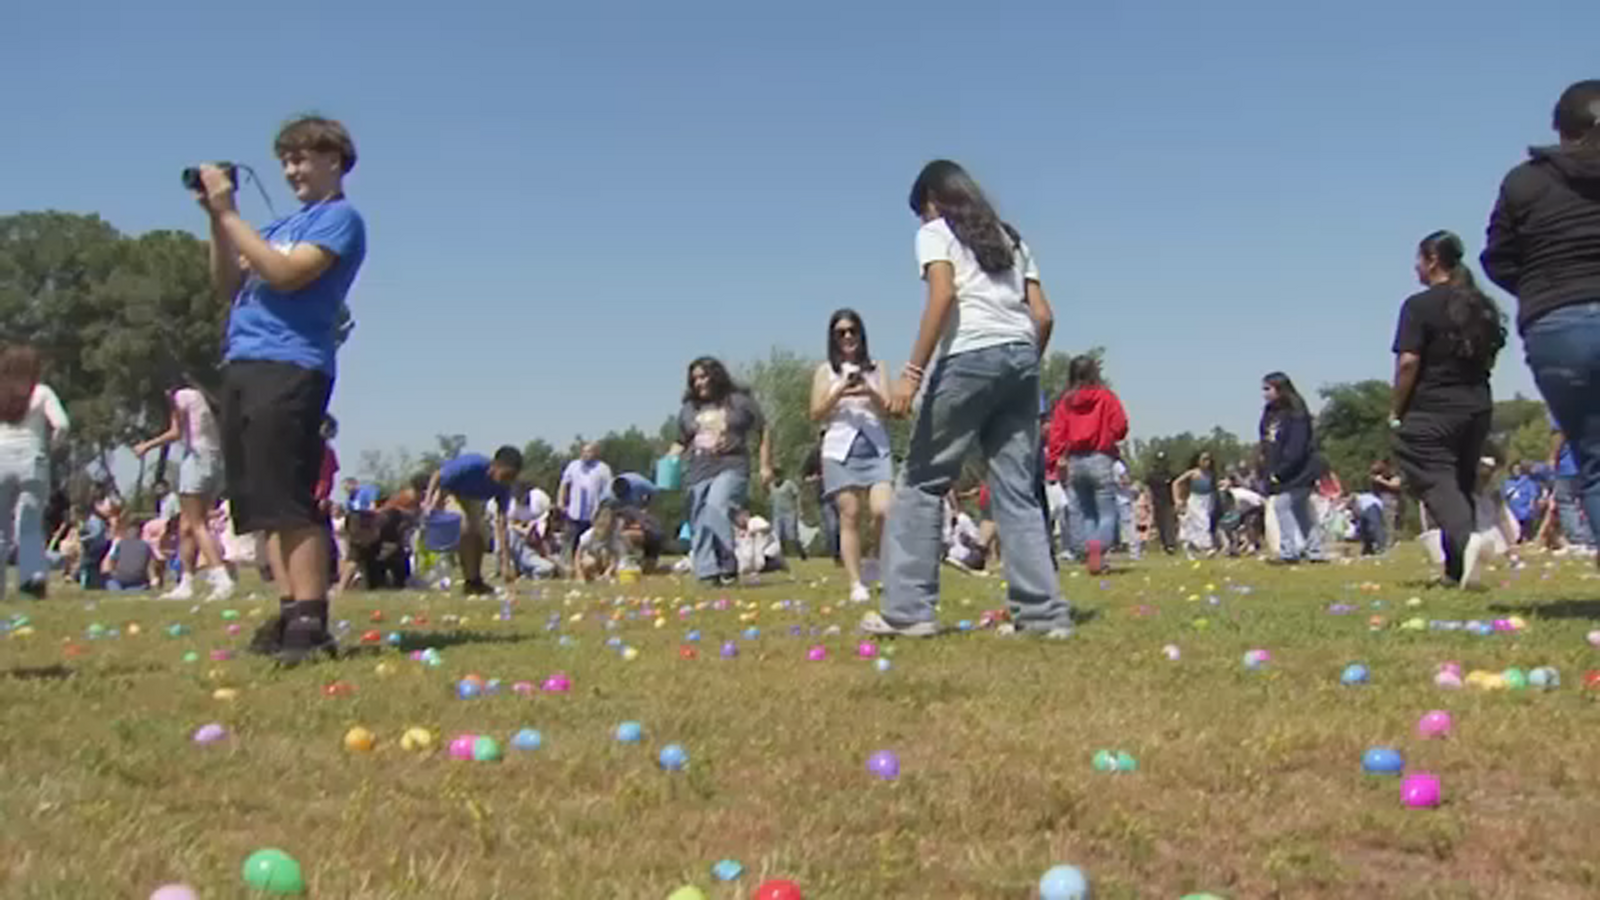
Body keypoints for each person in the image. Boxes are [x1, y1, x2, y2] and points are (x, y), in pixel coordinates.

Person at [864, 160, 1070, 639]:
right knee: (1017, 493)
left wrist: (911, 376)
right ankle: (1042, 617)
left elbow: (942, 295)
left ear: (933, 200)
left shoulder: (938, 231)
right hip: (1021, 356)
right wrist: (1018, 367)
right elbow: (1043, 315)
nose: (921, 221)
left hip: (970, 356)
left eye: (921, 211)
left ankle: (908, 609)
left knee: (920, 481)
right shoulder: (1010, 238)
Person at [199, 116, 366, 663]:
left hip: (291, 364)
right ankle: (289, 610)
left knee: (292, 498)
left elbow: (286, 274)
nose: (292, 170)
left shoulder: (340, 220)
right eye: (286, 161)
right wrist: (217, 224)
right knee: (262, 501)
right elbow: (228, 284)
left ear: (334, 161)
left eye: (302, 158)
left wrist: (229, 213)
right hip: (243, 361)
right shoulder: (274, 227)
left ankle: (312, 621)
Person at [1481, 80, 1600, 570]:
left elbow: (1497, 257)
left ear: (1560, 127)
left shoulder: (1523, 182)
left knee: (1593, 459)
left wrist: (1539, 291)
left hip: (1557, 326)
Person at [1391, 230, 1507, 587]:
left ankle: (1467, 538)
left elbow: (1409, 362)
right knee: (1459, 481)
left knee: (1433, 475)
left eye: (1418, 259)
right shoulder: (1481, 305)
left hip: (1432, 406)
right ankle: (1457, 569)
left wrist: (1397, 408)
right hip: (1476, 404)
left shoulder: (1419, 306)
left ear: (1432, 261)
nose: (1415, 267)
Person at [810, 309, 893, 601]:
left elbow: (890, 408)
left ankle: (878, 563)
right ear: (833, 338)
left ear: (861, 334)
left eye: (852, 331)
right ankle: (856, 583)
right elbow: (816, 412)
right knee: (850, 513)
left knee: (884, 510)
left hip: (874, 446)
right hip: (839, 449)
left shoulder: (877, 367)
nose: (847, 337)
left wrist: (868, 389)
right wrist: (840, 389)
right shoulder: (825, 371)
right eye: (840, 332)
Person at [669, 357, 773, 586]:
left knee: (717, 505)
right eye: (695, 379)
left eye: (704, 376)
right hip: (698, 470)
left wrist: (766, 465)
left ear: (716, 376)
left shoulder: (739, 401)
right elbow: (681, 440)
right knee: (699, 519)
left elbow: (763, 429)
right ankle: (707, 573)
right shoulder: (689, 409)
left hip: (731, 466)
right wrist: (669, 460)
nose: (699, 383)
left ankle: (727, 564)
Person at [133, 383, 236, 601]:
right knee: (186, 527)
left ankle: (220, 577)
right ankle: (186, 582)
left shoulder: (180, 397)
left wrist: (147, 446)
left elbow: (175, 432)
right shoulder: (204, 396)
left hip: (196, 461)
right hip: (216, 461)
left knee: (197, 524)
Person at [1046, 355, 1129, 573]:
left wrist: (1056, 461)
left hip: (1074, 460)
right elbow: (1120, 427)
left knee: (1085, 512)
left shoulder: (1065, 401)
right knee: (1107, 512)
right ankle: (1098, 549)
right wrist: (1107, 434)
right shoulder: (1106, 397)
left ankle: (1091, 555)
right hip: (1100, 457)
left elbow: (1056, 433)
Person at [0, 344, 69, 599]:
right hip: (33, 460)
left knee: (0, 528)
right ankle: (31, 581)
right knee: (28, 525)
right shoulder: (41, 392)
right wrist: (51, 448)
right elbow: (62, 424)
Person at [425, 446, 523, 594]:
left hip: (473, 500)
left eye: (513, 477)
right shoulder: (472, 464)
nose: (508, 481)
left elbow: (502, 524)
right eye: (507, 475)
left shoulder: (504, 487)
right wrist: (428, 502)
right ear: (496, 465)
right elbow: (437, 476)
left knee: (480, 534)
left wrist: (505, 563)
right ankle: (462, 578)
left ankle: (474, 581)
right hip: (449, 492)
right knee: (465, 526)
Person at [1260, 373, 1326, 563]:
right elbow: (1266, 441)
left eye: (1268, 389)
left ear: (1280, 389)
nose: (1264, 394)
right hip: (1279, 470)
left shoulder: (1296, 413)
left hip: (1300, 470)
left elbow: (1297, 446)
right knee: (1298, 510)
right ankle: (1315, 552)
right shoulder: (1269, 412)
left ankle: (1289, 552)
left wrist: (1281, 471)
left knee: (1282, 506)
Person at [558, 443, 612, 570]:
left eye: (589, 452)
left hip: (593, 513)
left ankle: (594, 567)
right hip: (574, 511)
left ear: (595, 453)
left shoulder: (603, 469)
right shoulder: (573, 466)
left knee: (592, 543)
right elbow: (564, 484)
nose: (586, 454)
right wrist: (561, 501)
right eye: (584, 452)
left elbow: (608, 491)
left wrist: (605, 510)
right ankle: (569, 567)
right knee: (571, 541)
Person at [1550, 420, 1594, 552]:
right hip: (1586, 464)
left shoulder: (1562, 410)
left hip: (1567, 466)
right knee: (1587, 500)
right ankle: (1591, 539)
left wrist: (1553, 457)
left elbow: (1560, 436)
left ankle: (1577, 540)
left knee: (1565, 501)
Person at [1171, 452, 1218, 557]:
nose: (1207, 462)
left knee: (1200, 523)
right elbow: (1176, 483)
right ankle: (1207, 547)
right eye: (1204, 459)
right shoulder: (1193, 473)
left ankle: (1194, 545)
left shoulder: (1211, 474)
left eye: (1208, 459)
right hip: (1195, 500)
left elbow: (1214, 489)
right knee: (1203, 522)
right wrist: (1177, 499)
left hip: (1207, 500)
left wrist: (1214, 501)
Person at [101, 520, 157, 591]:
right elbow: (150, 565)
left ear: (127, 533)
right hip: (138, 581)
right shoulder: (146, 546)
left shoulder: (120, 544)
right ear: (140, 534)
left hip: (119, 580)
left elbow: (112, 561)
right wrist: (153, 578)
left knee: (110, 581)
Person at [575, 504, 625, 582]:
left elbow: (615, 557)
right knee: (589, 562)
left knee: (606, 552)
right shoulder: (588, 535)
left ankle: (604, 576)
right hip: (592, 560)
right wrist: (579, 575)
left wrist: (609, 571)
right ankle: (594, 576)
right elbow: (577, 556)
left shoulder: (613, 537)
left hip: (606, 561)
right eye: (600, 525)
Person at [767, 467, 807, 562]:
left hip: (789, 512)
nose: (775, 479)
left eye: (776, 477)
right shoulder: (771, 485)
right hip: (777, 514)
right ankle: (781, 556)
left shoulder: (789, 484)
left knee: (791, 535)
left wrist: (800, 509)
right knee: (777, 535)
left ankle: (802, 553)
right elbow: (771, 498)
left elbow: (797, 496)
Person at [1144, 451, 1178, 554]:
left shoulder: (1171, 475)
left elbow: (1176, 487)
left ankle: (1170, 545)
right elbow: (1147, 488)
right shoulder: (1151, 475)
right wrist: (1148, 501)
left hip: (1169, 501)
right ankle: (1164, 544)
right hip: (1156, 502)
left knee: (1169, 523)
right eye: (1160, 461)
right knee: (1160, 524)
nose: (1161, 464)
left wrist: (1177, 500)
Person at [1369, 460, 1404, 551]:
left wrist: (1382, 481)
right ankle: (1381, 542)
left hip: (1390, 499)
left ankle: (1389, 544)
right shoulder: (1375, 476)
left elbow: (1396, 485)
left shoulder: (1392, 474)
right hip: (1379, 499)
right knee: (1382, 522)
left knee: (1389, 522)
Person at [1502, 462, 1541, 542]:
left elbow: (1533, 494)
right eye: (1514, 469)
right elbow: (1503, 496)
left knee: (1526, 517)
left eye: (1518, 469)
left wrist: (1531, 504)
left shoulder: (1527, 481)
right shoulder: (1507, 483)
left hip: (1525, 507)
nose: (1516, 471)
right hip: (1512, 508)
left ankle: (1527, 537)